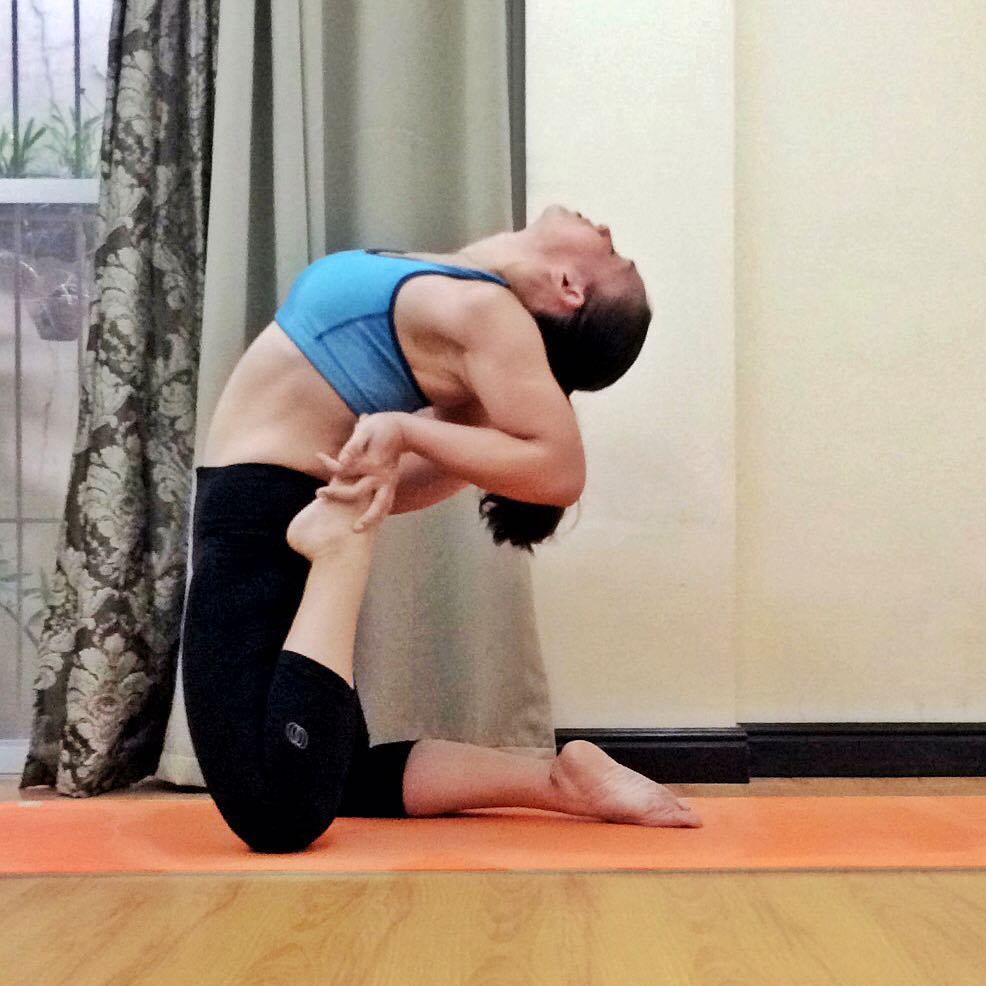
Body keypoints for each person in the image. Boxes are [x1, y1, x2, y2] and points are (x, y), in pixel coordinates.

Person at [180, 203, 702, 854]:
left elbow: (560, 470)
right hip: (272, 503)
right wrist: (377, 475)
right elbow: (459, 458)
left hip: (257, 518)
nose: (604, 229)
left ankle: (340, 551)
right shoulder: (462, 288)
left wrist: (402, 432)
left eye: (613, 251)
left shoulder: (486, 312)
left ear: (569, 286)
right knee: (337, 767)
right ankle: (556, 782)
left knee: (273, 816)